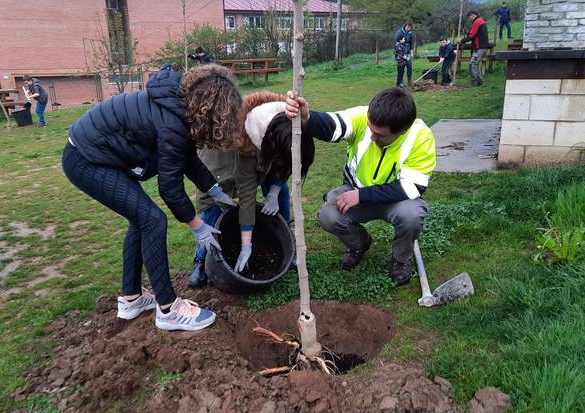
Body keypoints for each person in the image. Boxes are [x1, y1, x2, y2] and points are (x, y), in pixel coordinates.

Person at [62, 63, 243, 331]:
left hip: (96, 153)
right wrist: (198, 226)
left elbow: (188, 160)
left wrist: (215, 190)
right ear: (212, 111)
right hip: (86, 160)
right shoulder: (173, 124)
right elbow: (169, 188)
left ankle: (131, 298)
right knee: (153, 220)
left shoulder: (177, 108)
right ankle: (169, 310)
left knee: (141, 219)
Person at [285, 87, 436, 286]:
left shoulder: (421, 138)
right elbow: (333, 125)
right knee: (328, 215)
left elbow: (411, 188)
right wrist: (308, 117)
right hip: (355, 189)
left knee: (411, 216)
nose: (372, 137)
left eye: (380, 135)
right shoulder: (364, 116)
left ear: (402, 131)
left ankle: (400, 260)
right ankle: (360, 244)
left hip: (396, 201)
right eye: (370, 129)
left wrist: (361, 196)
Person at [189, 91, 313, 287]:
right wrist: (246, 246)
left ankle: (286, 245)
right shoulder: (246, 142)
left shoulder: (291, 122)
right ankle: (201, 259)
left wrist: (273, 192)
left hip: (267, 148)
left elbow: (288, 163)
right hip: (221, 157)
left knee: (280, 195)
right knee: (213, 210)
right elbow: (247, 196)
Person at [460, 11, 490, 87]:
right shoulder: (481, 20)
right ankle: (480, 81)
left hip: (479, 46)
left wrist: (461, 41)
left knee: (472, 63)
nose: (470, 19)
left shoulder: (477, 21)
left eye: (470, 17)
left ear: (472, 15)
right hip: (482, 46)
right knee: (476, 64)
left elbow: (471, 35)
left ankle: (474, 82)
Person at [393, 23, 414, 87]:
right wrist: (400, 43)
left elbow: (412, 43)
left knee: (409, 67)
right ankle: (399, 83)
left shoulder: (410, 33)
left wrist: (411, 53)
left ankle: (409, 81)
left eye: (410, 27)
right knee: (401, 70)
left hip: (406, 53)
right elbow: (396, 44)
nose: (409, 29)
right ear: (405, 27)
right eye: (407, 27)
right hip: (401, 57)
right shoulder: (399, 33)